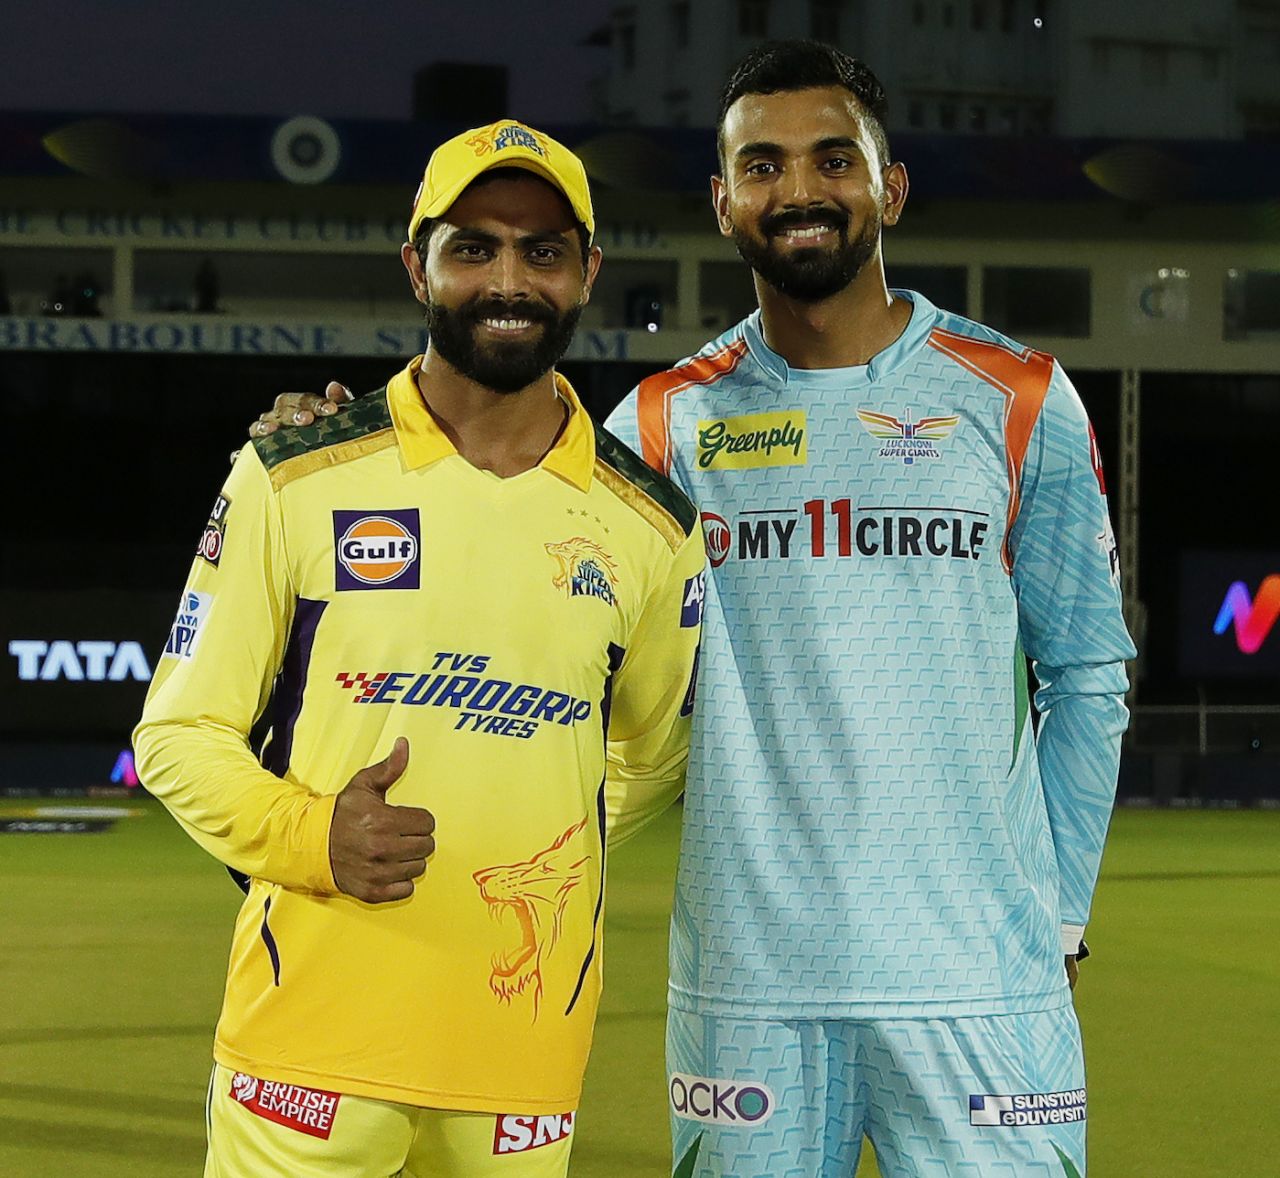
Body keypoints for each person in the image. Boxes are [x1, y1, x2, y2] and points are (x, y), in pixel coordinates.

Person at [255, 42, 1135, 1178]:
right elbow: (496, 534)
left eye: (834, 160)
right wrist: (342, 445)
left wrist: (1059, 916)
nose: (799, 189)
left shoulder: (1017, 398)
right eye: (762, 166)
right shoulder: (660, 428)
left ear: (891, 186)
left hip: (980, 983)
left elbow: (1088, 673)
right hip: (747, 993)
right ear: (723, 202)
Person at [135, 119, 704, 1178]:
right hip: (304, 1045)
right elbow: (177, 732)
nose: (509, 281)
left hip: (521, 1055)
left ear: (586, 273)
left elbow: (653, 751)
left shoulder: (651, 525)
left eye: (541, 251)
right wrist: (316, 838)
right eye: (473, 247)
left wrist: (536, 847)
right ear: (416, 266)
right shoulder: (291, 474)